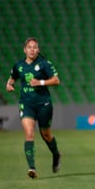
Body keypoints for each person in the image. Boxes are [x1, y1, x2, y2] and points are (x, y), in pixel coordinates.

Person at [6, 37, 61, 179]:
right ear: (25, 49)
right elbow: (12, 79)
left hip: (44, 104)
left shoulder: (44, 64)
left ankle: (56, 154)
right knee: (29, 133)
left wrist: (40, 82)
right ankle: (32, 168)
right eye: (29, 47)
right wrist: (9, 85)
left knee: (46, 135)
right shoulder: (18, 65)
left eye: (35, 47)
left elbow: (56, 80)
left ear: (38, 50)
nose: (32, 49)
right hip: (27, 104)